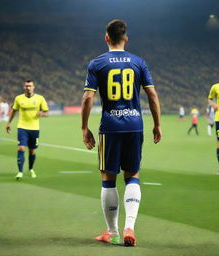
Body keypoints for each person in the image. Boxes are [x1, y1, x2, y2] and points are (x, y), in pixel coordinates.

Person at [81, 19, 161, 246]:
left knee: (108, 179)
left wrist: (84, 127)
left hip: (110, 127)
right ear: (126, 38)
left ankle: (112, 231)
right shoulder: (138, 62)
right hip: (135, 125)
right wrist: (157, 124)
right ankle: (130, 227)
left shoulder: (97, 63)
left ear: (106, 38)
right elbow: (152, 96)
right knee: (132, 176)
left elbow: (88, 97)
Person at [6, 80, 49, 180]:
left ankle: (30, 169)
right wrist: (9, 123)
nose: (28, 88)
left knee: (32, 151)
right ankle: (20, 171)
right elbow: (13, 111)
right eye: (26, 86)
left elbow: (47, 113)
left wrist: (42, 114)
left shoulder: (40, 98)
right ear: (24, 87)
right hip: (22, 127)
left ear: (34, 87)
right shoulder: (18, 98)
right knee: (21, 148)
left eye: (30, 86)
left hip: (34, 129)